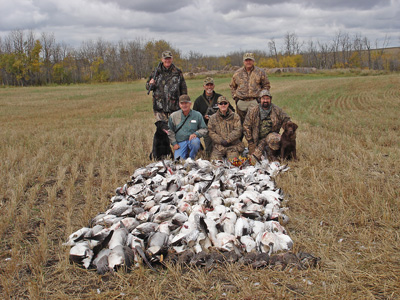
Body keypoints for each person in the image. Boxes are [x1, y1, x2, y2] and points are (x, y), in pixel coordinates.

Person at [243, 90, 291, 162]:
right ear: (260, 99)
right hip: (257, 140)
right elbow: (246, 126)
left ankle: (274, 153)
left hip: (271, 137)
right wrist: (250, 143)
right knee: (253, 160)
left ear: (270, 99)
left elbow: (287, 120)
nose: (265, 100)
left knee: (274, 139)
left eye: (267, 98)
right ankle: (266, 152)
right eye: (263, 98)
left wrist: (288, 133)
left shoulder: (277, 110)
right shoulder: (253, 111)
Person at [193, 77, 235, 157]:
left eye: (211, 85)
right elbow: (194, 116)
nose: (209, 87)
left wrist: (222, 113)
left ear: (214, 86)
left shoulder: (220, 98)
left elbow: (232, 110)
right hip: (207, 127)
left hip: (221, 127)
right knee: (209, 151)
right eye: (207, 85)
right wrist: (203, 117)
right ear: (204, 86)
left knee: (224, 146)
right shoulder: (198, 101)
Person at [146, 50, 187, 121]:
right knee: (162, 130)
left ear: (172, 59)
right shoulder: (156, 72)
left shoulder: (177, 72)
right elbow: (147, 87)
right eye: (165, 58)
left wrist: (184, 103)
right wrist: (150, 83)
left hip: (174, 108)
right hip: (159, 108)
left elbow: (183, 89)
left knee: (175, 130)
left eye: (169, 58)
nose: (167, 60)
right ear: (162, 59)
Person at [230, 52, 271, 124]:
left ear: (253, 61)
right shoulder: (237, 73)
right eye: (246, 60)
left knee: (255, 122)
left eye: (250, 60)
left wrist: (261, 98)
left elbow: (266, 85)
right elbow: (232, 86)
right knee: (241, 124)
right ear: (243, 61)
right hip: (241, 102)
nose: (248, 62)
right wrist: (236, 98)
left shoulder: (260, 72)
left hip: (255, 101)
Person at [168, 95, 208, 160]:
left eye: (186, 103)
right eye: (182, 103)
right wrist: (174, 143)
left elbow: (204, 129)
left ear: (190, 103)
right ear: (179, 104)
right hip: (180, 142)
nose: (184, 105)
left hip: (192, 140)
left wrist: (196, 134)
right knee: (178, 161)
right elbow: (170, 131)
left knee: (195, 142)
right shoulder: (173, 116)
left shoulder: (197, 115)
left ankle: (191, 159)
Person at [208, 96, 245, 160]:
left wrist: (228, 140)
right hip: (219, 147)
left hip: (232, 147)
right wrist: (221, 141)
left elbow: (238, 130)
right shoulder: (213, 118)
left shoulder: (235, 116)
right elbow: (211, 132)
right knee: (214, 164)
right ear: (218, 105)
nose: (223, 105)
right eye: (221, 104)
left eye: (225, 103)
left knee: (234, 163)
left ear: (228, 104)